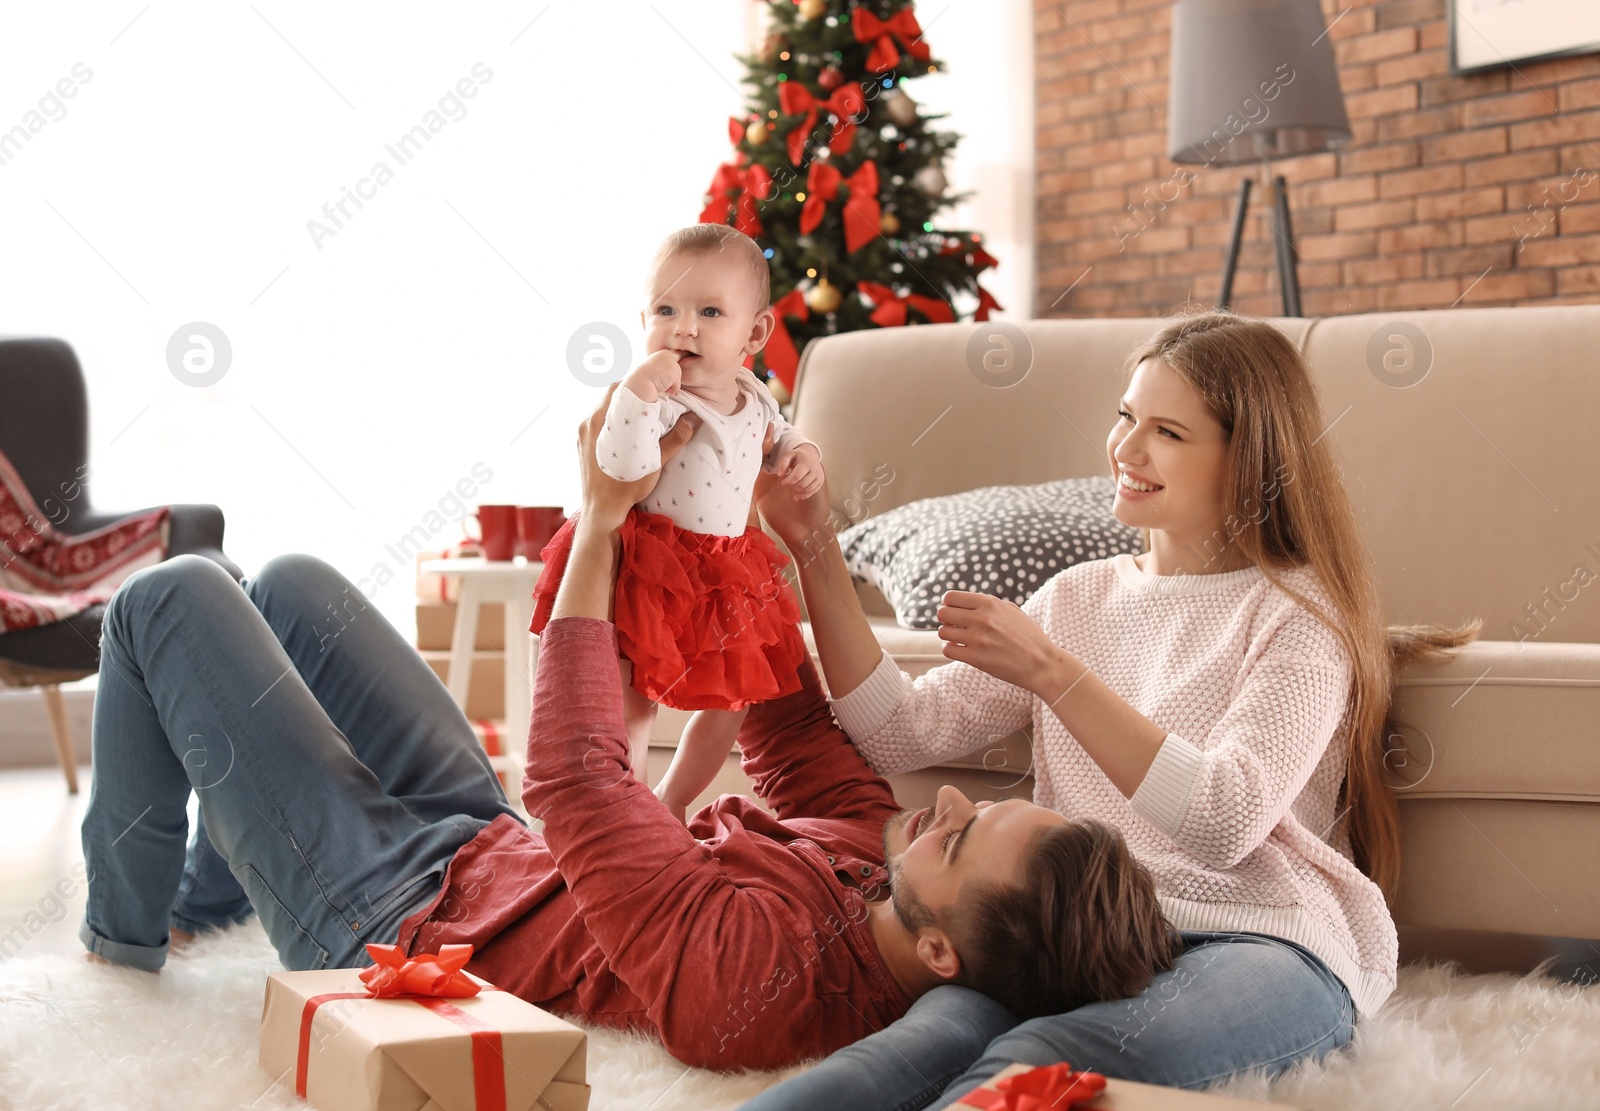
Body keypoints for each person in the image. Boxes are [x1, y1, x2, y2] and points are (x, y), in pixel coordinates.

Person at [76, 384, 1178, 1073]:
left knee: (166, 598)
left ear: (941, 953)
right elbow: (788, 720)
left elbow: (578, 776)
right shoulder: (878, 868)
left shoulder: (757, 987)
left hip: (386, 916)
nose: (939, 806)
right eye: (974, 812)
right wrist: (767, 526)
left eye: (957, 838)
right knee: (292, 582)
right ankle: (215, 891)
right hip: (490, 847)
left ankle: (119, 940)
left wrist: (599, 523)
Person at [740, 311, 1480, 1108]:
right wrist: (812, 544)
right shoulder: (1077, 597)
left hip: (1258, 935)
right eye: (1126, 416)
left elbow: (1227, 819)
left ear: (1248, 460)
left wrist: (1055, 674)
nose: (1126, 450)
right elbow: (898, 732)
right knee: (917, 1044)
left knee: (1039, 1060)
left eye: (1167, 431)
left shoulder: (1298, 614)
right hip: (1074, 936)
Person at [531, 224, 825, 824]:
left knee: (732, 702)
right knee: (630, 702)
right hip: (645, 563)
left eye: (710, 311)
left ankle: (671, 802)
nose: (684, 327)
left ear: (756, 331)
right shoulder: (662, 397)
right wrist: (634, 398)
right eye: (666, 309)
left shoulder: (754, 394)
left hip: (725, 569)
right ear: (644, 318)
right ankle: (622, 811)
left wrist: (802, 454)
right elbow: (620, 466)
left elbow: (777, 436)